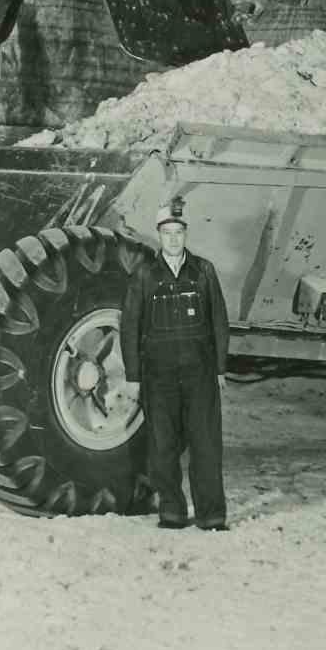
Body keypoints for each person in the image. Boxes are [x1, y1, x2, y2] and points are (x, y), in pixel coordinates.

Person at [118, 201, 231, 531]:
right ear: (159, 236)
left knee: (206, 444)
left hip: (200, 373)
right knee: (162, 445)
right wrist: (133, 376)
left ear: (186, 234)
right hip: (159, 375)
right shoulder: (145, 275)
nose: (172, 240)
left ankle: (212, 515)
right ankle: (172, 511)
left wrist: (220, 369)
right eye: (166, 234)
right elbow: (130, 327)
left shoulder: (204, 271)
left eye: (178, 233)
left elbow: (219, 321)